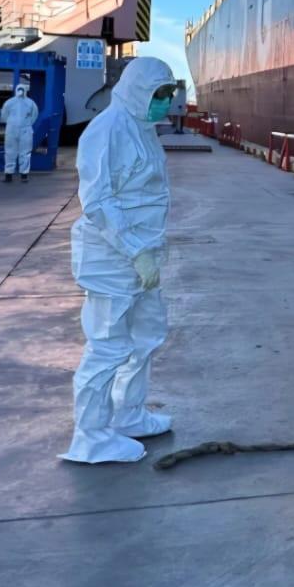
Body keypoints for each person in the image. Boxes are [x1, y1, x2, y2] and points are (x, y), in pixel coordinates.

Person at [63, 57, 180, 463]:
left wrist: (146, 255)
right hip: (112, 259)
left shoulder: (142, 129)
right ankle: (90, 436)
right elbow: (97, 201)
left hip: (142, 259)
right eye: (159, 94)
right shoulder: (107, 130)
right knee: (108, 346)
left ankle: (128, 414)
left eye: (169, 94)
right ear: (136, 90)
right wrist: (135, 252)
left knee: (146, 337)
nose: (166, 102)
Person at [2, 76, 39, 182]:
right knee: (10, 152)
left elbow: (34, 115)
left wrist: (27, 124)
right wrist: (11, 123)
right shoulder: (10, 102)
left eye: (22, 89)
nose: (21, 91)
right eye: (19, 89)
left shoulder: (30, 103)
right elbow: (4, 115)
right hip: (11, 130)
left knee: (25, 152)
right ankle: (8, 174)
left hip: (25, 130)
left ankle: (24, 174)